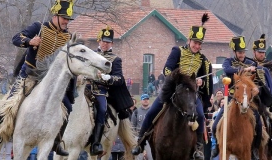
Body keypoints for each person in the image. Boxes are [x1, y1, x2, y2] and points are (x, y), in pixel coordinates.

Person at [0, 0, 80, 157]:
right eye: (64, 18)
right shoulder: (39, 27)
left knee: (68, 106)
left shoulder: (68, 37)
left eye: (68, 19)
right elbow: (16, 38)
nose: (66, 22)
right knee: (11, 102)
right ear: (55, 16)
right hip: (29, 74)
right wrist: (30, 41)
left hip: (51, 80)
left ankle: (55, 140)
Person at [132, 13, 213, 160]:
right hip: (173, 90)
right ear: (189, 40)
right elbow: (166, 70)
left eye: (199, 44)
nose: (197, 46)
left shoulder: (203, 60)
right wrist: (179, 78)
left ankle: (199, 148)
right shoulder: (178, 51)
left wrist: (200, 82)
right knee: (153, 111)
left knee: (200, 115)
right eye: (195, 42)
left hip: (191, 94)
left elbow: (205, 81)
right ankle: (140, 141)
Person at [211, 36, 269, 160]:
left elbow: (258, 79)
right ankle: (217, 147)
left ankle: (254, 148)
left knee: (258, 123)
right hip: (232, 99)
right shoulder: (229, 62)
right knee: (216, 124)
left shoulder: (252, 63)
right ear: (235, 52)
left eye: (243, 52)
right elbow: (227, 70)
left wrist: (256, 89)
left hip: (248, 100)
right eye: (239, 52)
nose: (242, 55)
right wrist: (244, 69)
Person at [85, 25, 134, 156]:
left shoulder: (115, 59)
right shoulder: (91, 55)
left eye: (108, 42)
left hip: (101, 91)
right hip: (86, 88)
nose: (105, 44)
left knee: (102, 109)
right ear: (99, 41)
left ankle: (96, 143)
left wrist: (108, 78)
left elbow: (119, 79)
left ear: (112, 43)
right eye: (103, 41)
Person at [131, 94, 153, 160]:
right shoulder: (136, 112)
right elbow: (133, 126)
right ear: (141, 101)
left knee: (151, 157)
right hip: (139, 137)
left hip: (150, 136)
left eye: (147, 99)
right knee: (138, 157)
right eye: (144, 99)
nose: (146, 101)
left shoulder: (153, 111)